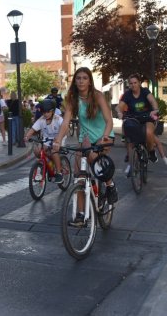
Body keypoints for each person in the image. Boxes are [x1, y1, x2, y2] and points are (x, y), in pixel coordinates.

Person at [53, 67, 118, 220]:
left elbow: (109, 121)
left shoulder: (98, 96)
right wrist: (57, 140)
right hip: (85, 139)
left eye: (84, 78)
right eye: (78, 78)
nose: (81, 81)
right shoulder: (73, 99)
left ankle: (110, 185)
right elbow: (65, 123)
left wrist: (105, 137)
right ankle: (81, 214)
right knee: (79, 176)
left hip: (104, 137)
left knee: (94, 159)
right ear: (75, 81)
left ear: (89, 81)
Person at [116, 74, 166, 165]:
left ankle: (151, 151)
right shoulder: (127, 94)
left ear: (139, 83)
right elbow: (119, 106)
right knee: (127, 135)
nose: (133, 85)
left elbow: (152, 101)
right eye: (131, 83)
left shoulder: (145, 91)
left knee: (148, 133)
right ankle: (129, 155)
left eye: (135, 83)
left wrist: (155, 110)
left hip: (146, 117)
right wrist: (119, 112)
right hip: (133, 118)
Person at [24, 99, 64, 184]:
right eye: (44, 112)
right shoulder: (41, 120)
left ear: (52, 111)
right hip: (47, 139)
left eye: (47, 112)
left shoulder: (58, 119)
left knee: (54, 151)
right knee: (37, 151)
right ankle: (47, 164)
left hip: (59, 138)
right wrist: (27, 136)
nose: (45, 114)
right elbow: (33, 129)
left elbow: (65, 129)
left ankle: (59, 173)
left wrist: (58, 139)